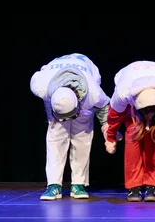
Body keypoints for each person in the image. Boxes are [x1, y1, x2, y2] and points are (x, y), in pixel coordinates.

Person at [30, 53, 111, 201]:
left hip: (85, 80)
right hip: (55, 88)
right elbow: (37, 74)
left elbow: (105, 106)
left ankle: (78, 184)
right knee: (56, 135)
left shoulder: (92, 92)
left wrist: (107, 129)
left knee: (82, 137)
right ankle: (53, 184)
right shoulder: (41, 86)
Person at [102, 60, 155, 202]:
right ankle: (134, 186)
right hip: (130, 88)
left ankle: (152, 185)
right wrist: (110, 138)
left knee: (153, 134)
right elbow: (113, 118)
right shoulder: (123, 94)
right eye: (146, 113)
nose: (149, 117)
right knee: (133, 132)